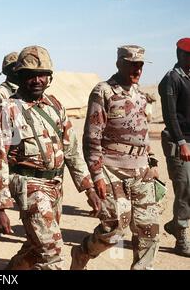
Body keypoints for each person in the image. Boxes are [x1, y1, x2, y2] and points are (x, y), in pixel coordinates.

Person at [0, 46, 99, 270]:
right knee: (52, 252)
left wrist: (88, 188)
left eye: (42, 74)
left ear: (49, 77)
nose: (37, 80)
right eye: (30, 75)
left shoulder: (55, 105)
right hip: (29, 188)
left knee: (36, 245)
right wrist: (0, 207)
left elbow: (72, 150)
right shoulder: (8, 109)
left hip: (55, 186)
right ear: (20, 76)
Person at [71, 45, 161, 270]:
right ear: (119, 63)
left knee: (148, 230)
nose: (137, 69)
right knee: (114, 230)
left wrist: (151, 161)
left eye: (140, 65)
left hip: (142, 171)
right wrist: (97, 175)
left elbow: (143, 132)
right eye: (132, 64)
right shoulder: (103, 91)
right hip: (112, 170)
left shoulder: (140, 95)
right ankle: (83, 252)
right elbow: (92, 138)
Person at [158, 38, 190, 257]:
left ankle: (175, 224)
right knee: (184, 188)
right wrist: (181, 143)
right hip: (179, 142)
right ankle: (181, 238)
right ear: (180, 55)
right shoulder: (171, 79)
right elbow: (170, 116)